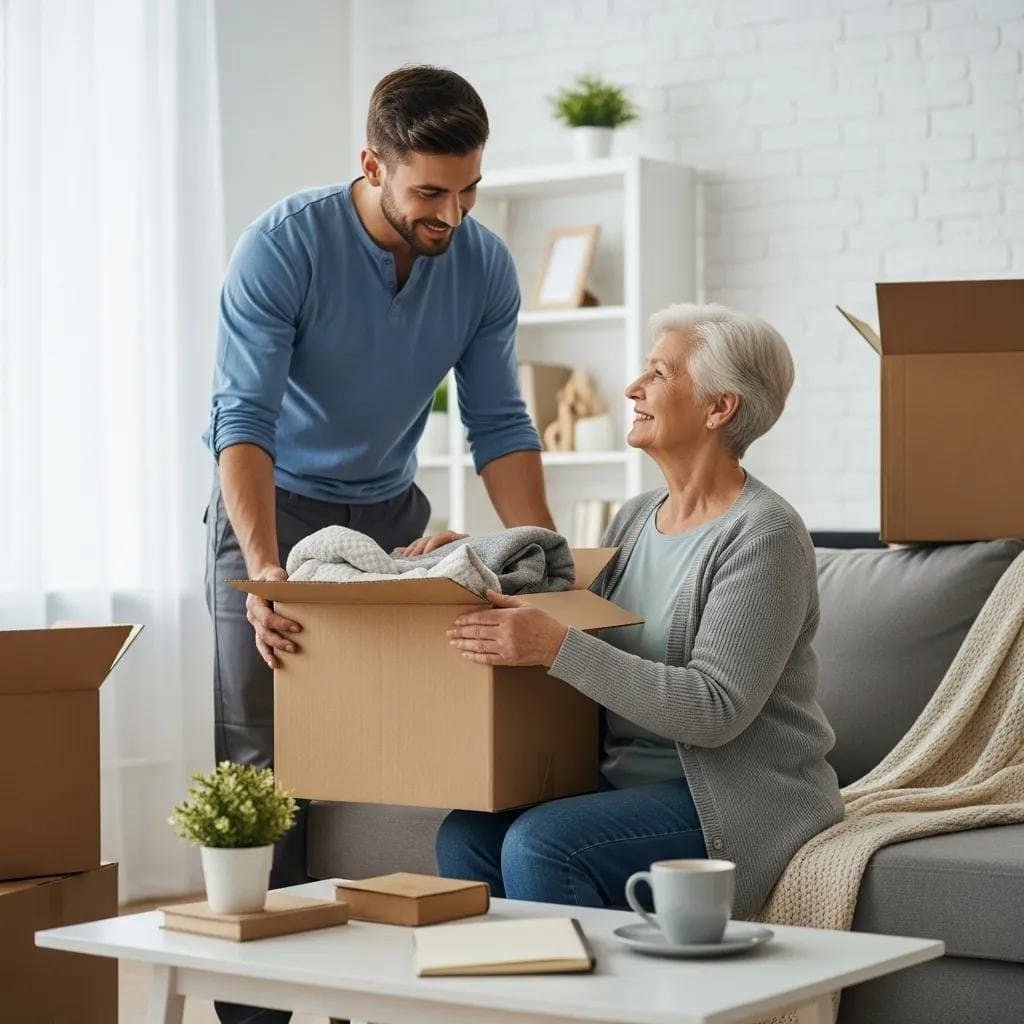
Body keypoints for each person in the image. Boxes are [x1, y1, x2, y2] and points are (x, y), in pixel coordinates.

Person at [204, 65, 554, 1024]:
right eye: (430, 192)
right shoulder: (285, 246)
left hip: (391, 518)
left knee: (403, 751)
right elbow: (243, 419)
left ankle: (370, 996)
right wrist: (267, 570)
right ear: (374, 163)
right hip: (273, 514)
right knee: (265, 765)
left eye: (470, 188)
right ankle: (254, 1010)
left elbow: (499, 422)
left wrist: (544, 559)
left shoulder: (481, 263)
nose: (453, 212)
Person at [441, 301, 843, 921]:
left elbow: (714, 710)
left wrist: (555, 648)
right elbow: (559, 599)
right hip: (624, 781)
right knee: (465, 834)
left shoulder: (763, 534)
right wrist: (465, 558)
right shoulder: (634, 516)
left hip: (732, 794)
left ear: (719, 407)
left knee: (544, 844)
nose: (633, 388)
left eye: (659, 373)